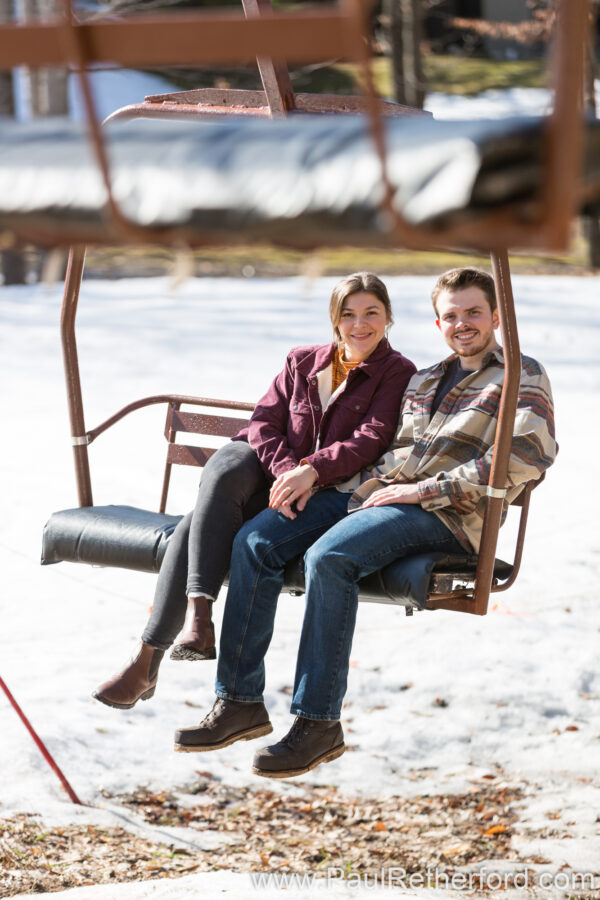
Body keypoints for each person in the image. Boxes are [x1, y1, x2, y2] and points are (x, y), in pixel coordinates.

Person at [173, 266, 557, 778]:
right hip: (374, 497)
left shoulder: (519, 376)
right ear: (437, 322)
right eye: (451, 315)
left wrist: (421, 490)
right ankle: (240, 701)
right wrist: (316, 478)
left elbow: (525, 457)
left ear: (494, 318)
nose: (462, 323)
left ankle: (317, 723)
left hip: (448, 512)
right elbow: (388, 446)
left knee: (329, 558)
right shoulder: (426, 379)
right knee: (255, 539)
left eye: (473, 313)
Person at [93, 272, 416, 709]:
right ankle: (197, 618)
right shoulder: (303, 361)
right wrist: (288, 472)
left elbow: (371, 437)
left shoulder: (396, 372)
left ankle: (149, 657)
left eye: (371, 313)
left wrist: (311, 474)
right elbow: (264, 422)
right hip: (269, 474)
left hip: (322, 490)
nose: (360, 324)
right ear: (334, 321)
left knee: (191, 529)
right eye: (348, 314)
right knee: (225, 468)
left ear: (388, 317)